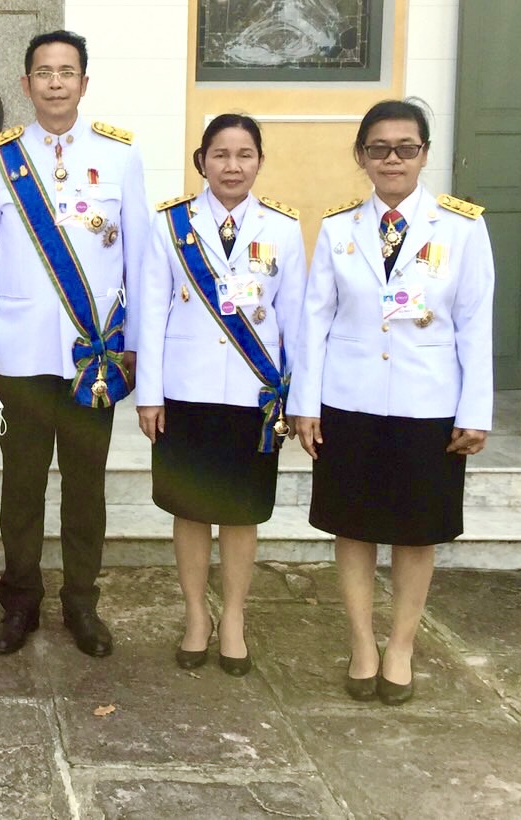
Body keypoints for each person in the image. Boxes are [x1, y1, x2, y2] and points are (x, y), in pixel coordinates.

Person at [288, 99, 494, 706]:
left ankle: (401, 645)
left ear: (425, 153)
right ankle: (361, 643)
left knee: (415, 532)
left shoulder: (461, 227)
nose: (393, 159)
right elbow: (314, 320)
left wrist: (474, 410)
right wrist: (306, 403)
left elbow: (475, 321)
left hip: (427, 403)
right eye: (379, 148)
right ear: (362, 156)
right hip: (348, 401)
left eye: (406, 147)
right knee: (351, 529)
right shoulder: (337, 228)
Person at [0, 30, 148, 658]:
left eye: (67, 72)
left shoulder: (119, 156)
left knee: (85, 485)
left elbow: (140, 262)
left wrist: (137, 346)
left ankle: (81, 603)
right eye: (43, 72)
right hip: (18, 353)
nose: (55, 82)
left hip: (92, 358)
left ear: (84, 83)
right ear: (26, 85)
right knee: (21, 486)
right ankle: (19, 603)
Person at [135, 114, 306, 675]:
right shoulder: (171, 225)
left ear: (259, 161)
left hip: (252, 398)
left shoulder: (282, 227)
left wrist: (299, 400)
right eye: (221, 154)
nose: (233, 166)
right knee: (188, 511)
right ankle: (195, 616)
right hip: (186, 392)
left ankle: (233, 616)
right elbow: (151, 313)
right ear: (201, 161)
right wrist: (149, 395)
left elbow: (294, 322)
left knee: (239, 514)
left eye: (245, 154)